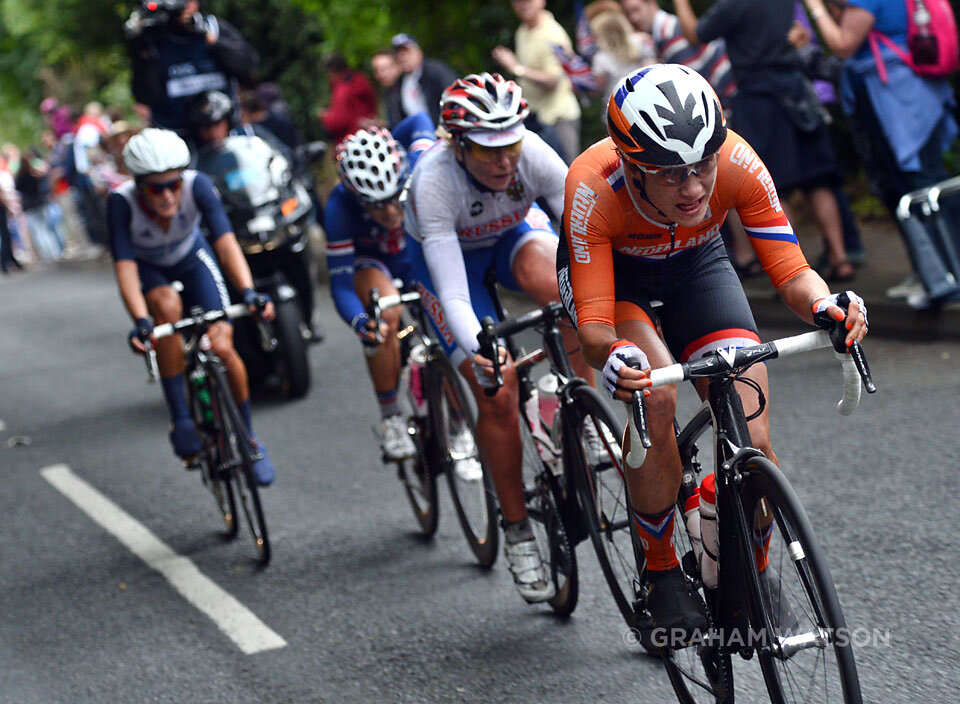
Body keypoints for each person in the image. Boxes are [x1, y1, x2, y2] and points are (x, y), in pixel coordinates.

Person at [557, 64, 867, 636]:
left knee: (756, 441)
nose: (696, 187)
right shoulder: (591, 187)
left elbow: (793, 273)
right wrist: (621, 362)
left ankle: (750, 570)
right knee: (658, 396)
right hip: (619, 286)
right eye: (672, 176)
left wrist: (827, 306)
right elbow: (596, 330)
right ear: (632, 167)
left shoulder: (739, 162)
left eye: (702, 166)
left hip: (699, 268)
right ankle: (661, 570)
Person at [404, 72, 594, 604]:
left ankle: (580, 411)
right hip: (451, 263)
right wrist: (484, 352)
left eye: (510, 143)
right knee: (499, 389)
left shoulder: (532, 153)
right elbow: (456, 298)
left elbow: (583, 246)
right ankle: (517, 531)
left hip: (512, 233)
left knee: (568, 295)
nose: (505, 160)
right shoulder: (434, 182)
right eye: (489, 151)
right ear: (456, 145)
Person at [107, 128, 277, 485]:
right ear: (139, 185)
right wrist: (140, 320)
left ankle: (248, 438)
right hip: (152, 270)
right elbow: (125, 269)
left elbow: (227, 244)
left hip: (193, 257)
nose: (168, 195)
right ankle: (181, 417)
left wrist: (247, 292)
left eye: (173, 184)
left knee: (222, 346)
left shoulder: (198, 185)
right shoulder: (120, 203)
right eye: (156, 188)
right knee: (166, 310)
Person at [672, 0, 857, 283]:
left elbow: (695, 34)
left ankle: (796, 273)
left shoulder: (733, 6)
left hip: (760, 101)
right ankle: (840, 258)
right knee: (819, 181)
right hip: (796, 91)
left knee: (775, 188)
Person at [802, 0, 960, 307]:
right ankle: (930, 272)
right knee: (911, 186)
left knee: (921, 186)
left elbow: (843, 44)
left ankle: (946, 275)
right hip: (904, 99)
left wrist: (816, 8)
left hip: (900, 102)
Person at [323, 112, 436, 461]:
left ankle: (461, 421)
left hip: (415, 251)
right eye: (376, 205)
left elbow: (418, 117)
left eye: (395, 197)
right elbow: (340, 286)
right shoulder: (339, 208)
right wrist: (361, 323)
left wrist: (384, 132)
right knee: (385, 311)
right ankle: (391, 418)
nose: (390, 212)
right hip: (374, 264)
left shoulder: (418, 162)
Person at [125, 0, 258, 135]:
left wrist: (209, 39)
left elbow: (247, 66)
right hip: (177, 133)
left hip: (224, 130)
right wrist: (143, 53)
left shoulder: (213, 28)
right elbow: (145, 97)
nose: (184, 6)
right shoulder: (154, 39)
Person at [492, 0, 582, 163]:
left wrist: (517, 68)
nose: (522, 5)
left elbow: (553, 81)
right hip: (536, 119)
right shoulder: (522, 31)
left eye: (527, 1)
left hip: (559, 117)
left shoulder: (552, 34)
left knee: (567, 175)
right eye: (517, 2)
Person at [588, 2, 657, 106]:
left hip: (618, 106)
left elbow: (596, 89)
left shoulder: (600, 58)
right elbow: (652, 70)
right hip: (645, 99)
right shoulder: (641, 41)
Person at [389, 34, 458, 129]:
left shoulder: (436, 72)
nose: (403, 56)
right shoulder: (398, 84)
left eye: (406, 51)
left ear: (418, 52)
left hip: (444, 132)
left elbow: (455, 99)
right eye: (398, 53)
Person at [318, 53, 379, 145]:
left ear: (331, 71)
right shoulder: (360, 79)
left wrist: (326, 117)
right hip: (368, 135)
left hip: (352, 141)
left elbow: (339, 120)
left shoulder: (343, 89)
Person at [370, 49, 405, 128]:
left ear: (397, 66)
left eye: (384, 69)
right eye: (376, 70)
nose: (380, 74)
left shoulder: (408, 88)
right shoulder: (387, 91)